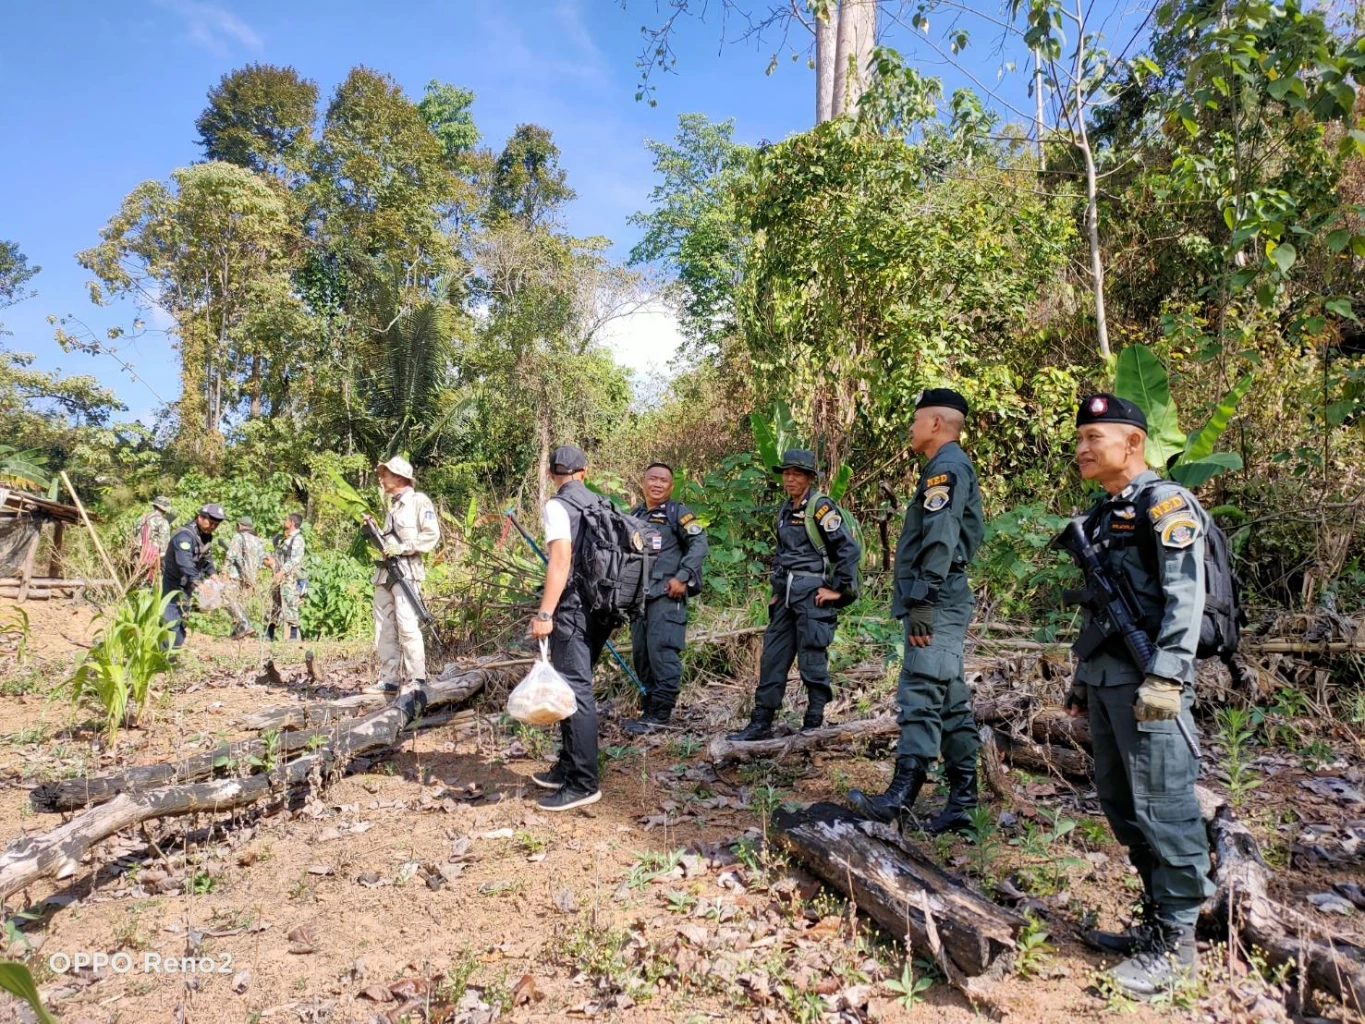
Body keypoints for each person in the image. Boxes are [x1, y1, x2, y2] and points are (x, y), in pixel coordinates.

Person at [1063, 393, 1214, 998]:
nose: (1081, 448)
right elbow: (1099, 609)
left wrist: (1168, 677)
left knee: (1165, 806)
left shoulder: (1166, 505)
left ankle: (1178, 945)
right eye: (1079, 438)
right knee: (1122, 805)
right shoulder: (1102, 516)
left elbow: (1186, 597)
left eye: (1093, 437)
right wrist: (1081, 680)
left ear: (1132, 442)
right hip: (1107, 682)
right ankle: (1156, 923)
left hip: (1152, 684)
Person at [847, 389, 985, 833]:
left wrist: (923, 599)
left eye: (915, 419)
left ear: (937, 423)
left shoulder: (945, 468)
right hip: (941, 595)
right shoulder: (946, 467)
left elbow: (940, 540)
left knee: (922, 692)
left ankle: (900, 798)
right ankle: (964, 801)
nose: (911, 427)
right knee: (950, 701)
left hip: (937, 599)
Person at [727, 448, 861, 741]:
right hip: (786, 597)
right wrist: (776, 593)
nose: (789, 478)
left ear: (810, 477)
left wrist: (838, 591)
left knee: (812, 658)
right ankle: (760, 722)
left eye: (796, 473)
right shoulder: (785, 511)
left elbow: (848, 550)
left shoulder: (821, 508)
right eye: (786, 473)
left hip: (812, 595)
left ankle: (813, 724)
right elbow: (782, 555)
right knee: (772, 658)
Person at [528, 444, 618, 811]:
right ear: (584, 472)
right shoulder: (602, 504)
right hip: (604, 609)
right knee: (570, 686)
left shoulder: (557, 506)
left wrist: (546, 614)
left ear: (552, 475)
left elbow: (561, 561)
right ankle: (567, 766)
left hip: (572, 611)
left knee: (575, 691)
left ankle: (583, 783)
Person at [623, 462, 709, 735]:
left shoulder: (678, 514)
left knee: (663, 655)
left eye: (663, 481)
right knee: (642, 657)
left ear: (671, 487)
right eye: (653, 479)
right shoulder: (635, 515)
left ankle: (661, 715)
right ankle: (649, 713)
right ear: (643, 481)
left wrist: (682, 577)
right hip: (639, 601)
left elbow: (699, 542)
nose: (657, 484)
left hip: (665, 597)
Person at [368, 457, 440, 695]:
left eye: (386, 473)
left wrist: (404, 547)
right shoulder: (394, 505)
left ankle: (416, 678)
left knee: (407, 625)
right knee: (384, 627)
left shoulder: (419, 502)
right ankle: (388, 679)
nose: (382, 478)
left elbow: (431, 536)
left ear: (399, 477)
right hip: (385, 572)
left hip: (406, 571)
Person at [162, 503, 226, 649]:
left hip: (186, 586)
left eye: (216, 525)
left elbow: (206, 559)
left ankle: (171, 658)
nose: (212, 527)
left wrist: (212, 574)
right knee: (171, 624)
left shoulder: (206, 536)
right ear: (199, 517)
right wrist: (199, 582)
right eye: (210, 522)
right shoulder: (184, 536)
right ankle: (165, 661)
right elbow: (184, 562)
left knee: (182, 622)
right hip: (173, 585)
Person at [265, 513, 306, 642]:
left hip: (289, 576)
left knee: (290, 602)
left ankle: (294, 635)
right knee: (274, 602)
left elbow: (294, 560)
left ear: (292, 523)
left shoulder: (298, 539)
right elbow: (278, 556)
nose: (284, 521)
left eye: (286, 520)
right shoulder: (285, 538)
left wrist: (282, 572)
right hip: (279, 574)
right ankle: (269, 633)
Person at [223, 517, 265, 638]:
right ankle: (239, 631)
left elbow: (231, 555)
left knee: (227, 598)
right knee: (240, 603)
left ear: (240, 525)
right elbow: (261, 560)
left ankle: (245, 624)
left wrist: (224, 571)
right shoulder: (258, 540)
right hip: (250, 577)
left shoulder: (238, 537)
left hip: (235, 574)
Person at [131, 496, 174, 585]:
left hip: (137, 556)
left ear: (154, 506)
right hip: (153, 559)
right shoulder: (163, 522)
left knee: (138, 582)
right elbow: (164, 547)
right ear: (164, 509)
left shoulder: (141, 518)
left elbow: (134, 535)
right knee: (152, 585)